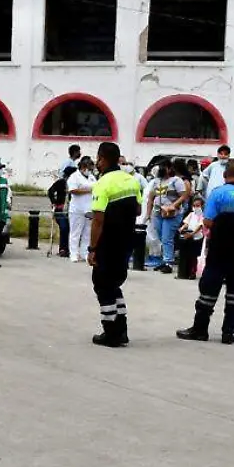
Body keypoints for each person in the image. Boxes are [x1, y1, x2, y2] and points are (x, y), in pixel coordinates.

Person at [177, 159, 234, 344]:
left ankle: (200, 330)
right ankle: (228, 332)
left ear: (225, 176)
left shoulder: (217, 194)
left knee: (209, 287)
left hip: (220, 248)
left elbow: (207, 222)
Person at [88, 142, 141, 347]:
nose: (97, 163)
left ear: (102, 158)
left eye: (98, 159)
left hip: (107, 241)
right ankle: (122, 330)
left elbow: (98, 219)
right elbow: (137, 210)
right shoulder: (131, 180)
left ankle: (110, 332)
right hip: (126, 240)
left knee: (102, 284)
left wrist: (92, 249)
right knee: (114, 284)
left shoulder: (103, 183)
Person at [147, 160, 188, 273]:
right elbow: (151, 198)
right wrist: (148, 214)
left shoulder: (176, 180)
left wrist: (173, 205)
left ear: (170, 168)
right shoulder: (156, 181)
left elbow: (183, 196)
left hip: (172, 214)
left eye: (163, 167)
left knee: (167, 237)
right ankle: (164, 260)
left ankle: (168, 262)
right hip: (158, 213)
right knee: (161, 237)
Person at [66, 157, 96, 263]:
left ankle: (84, 253)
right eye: (89, 168)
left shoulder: (92, 177)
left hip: (89, 208)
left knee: (87, 232)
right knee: (75, 232)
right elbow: (72, 190)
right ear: (83, 167)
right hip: (77, 209)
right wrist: (87, 190)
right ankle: (73, 254)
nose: (90, 170)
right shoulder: (74, 177)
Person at [48, 166, 73, 258]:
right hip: (60, 210)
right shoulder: (61, 182)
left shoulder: (74, 183)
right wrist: (54, 202)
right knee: (64, 227)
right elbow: (50, 191)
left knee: (70, 228)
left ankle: (68, 249)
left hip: (70, 210)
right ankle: (62, 249)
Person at [178, 195, 206, 279]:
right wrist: (182, 228)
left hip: (197, 238)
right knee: (188, 255)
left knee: (194, 256)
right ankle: (186, 271)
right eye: (194, 206)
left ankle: (193, 272)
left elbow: (200, 226)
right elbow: (186, 223)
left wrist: (193, 233)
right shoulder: (191, 214)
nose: (195, 208)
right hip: (188, 237)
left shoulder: (202, 215)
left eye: (197, 206)